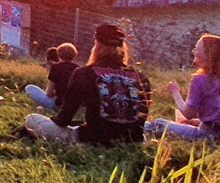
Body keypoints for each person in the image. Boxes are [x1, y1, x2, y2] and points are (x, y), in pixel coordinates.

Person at [23, 24, 151, 145]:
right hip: (133, 139)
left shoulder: (84, 73)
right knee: (143, 136)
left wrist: (55, 120)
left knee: (32, 119)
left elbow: (63, 120)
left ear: (97, 45)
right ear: (123, 47)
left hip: (94, 138)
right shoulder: (141, 77)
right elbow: (140, 120)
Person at [147, 34, 220, 141]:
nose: (193, 52)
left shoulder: (200, 79)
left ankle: (135, 127)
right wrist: (197, 122)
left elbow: (188, 114)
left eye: (197, 49)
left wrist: (175, 92)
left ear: (208, 54)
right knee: (186, 123)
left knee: (158, 124)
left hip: (212, 135)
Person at [25, 43, 79, 112]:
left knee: (29, 88)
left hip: (58, 103)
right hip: (74, 104)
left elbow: (49, 93)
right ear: (74, 55)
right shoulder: (79, 69)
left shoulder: (55, 68)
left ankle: (46, 106)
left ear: (58, 54)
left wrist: (57, 93)